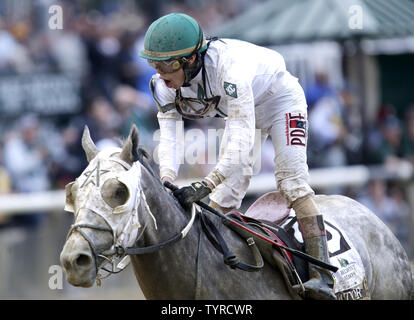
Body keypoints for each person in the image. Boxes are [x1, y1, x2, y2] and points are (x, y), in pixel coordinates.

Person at [139, 13, 336, 300]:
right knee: (222, 201)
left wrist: (207, 182)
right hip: (241, 112)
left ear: (191, 59)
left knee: (292, 183)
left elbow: (242, 139)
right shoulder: (163, 83)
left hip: (280, 102)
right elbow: (169, 134)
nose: (160, 74)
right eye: (153, 64)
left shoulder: (229, 69)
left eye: (166, 65)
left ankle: (323, 276)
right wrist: (166, 179)